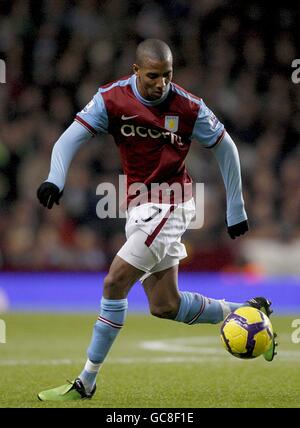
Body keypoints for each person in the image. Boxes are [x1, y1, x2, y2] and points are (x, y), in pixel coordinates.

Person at [36, 39, 276, 401]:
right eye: (152, 76)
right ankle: (247, 310)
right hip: (137, 207)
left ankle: (86, 381)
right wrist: (55, 177)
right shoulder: (112, 99)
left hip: (172, 204)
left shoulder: (188, 106)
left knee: (114, 282)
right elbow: (68, 139)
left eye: (167, 75)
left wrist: (235, 209)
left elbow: (226, 147)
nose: (161, 84)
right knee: (166, 306)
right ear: (136, 71)